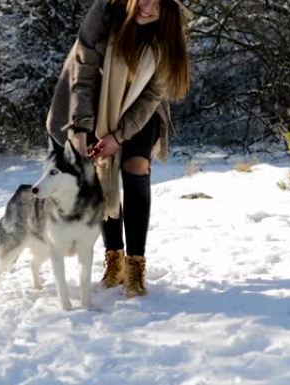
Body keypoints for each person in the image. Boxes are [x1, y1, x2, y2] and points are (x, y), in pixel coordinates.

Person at [46, 0, 191, 297]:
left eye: (158, 4)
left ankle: (136, 264)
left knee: (136, 165)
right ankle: (114, 257)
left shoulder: (173, 25)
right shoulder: (106, 12)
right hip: (89, 100)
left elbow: (153, 94)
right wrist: (81, 126)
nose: (147, 8)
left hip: (140, 107)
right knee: (97, 169)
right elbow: (84, 72)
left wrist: (119, 136)